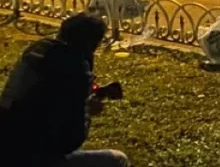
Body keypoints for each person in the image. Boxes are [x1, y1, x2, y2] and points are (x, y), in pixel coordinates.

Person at [0, 13, 129, 166]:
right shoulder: (75, 68)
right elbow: (71, 141)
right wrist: (87, 110)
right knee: (117, 159)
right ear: (92, 44)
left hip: (5, 147)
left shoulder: (35, 52)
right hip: (32, 159)